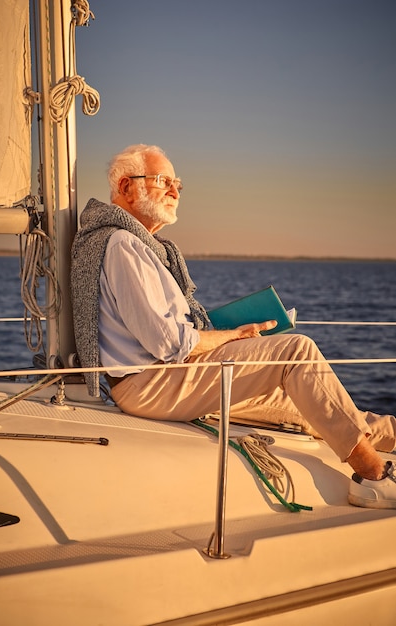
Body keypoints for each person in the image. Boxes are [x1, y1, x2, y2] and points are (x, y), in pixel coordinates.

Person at [71, 143, 396, 510]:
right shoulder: (122, 245)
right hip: (150, 382)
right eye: (163, 181)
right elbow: (169, 343)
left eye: (178, 183)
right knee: (295, 351)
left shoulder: (141, 246)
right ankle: (372, 476)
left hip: (170, 376)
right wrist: (233, 335)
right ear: (127, 187)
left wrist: (227, 335)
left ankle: (391, 437)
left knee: (305, 399)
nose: (176, 190)